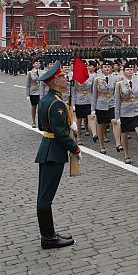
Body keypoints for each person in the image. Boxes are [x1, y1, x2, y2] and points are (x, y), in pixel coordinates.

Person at [34, 61, 81, 249]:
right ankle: (48, 238)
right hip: (53, 152)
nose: (64, 79)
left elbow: (40, 126)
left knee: (44, 195)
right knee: (45, 197)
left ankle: (49, 233)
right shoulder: (56, 104)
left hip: (47, 148)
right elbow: (60, 133)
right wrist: (75, 148)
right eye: (61, 77)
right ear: (54, 82)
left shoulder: (46, 100)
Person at [25, 61, 44, 128]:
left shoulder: (42, 72)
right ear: (33, 65)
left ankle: (40, 122)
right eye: (36, 63)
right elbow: (27, 85)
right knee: (34, 107)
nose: (38, 64)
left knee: (41, 108)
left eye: (39, 63)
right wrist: (27, 95)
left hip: (41, 92)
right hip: (33, 92)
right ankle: (33, 121)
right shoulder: (30, 73)